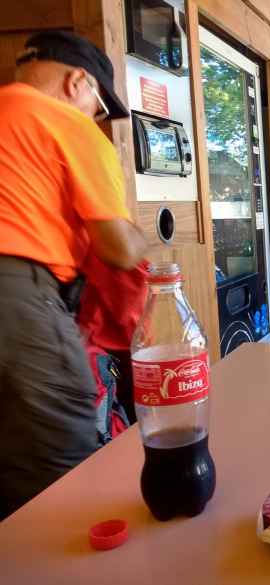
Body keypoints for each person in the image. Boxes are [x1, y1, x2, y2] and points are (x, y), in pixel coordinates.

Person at [0, 31, 147, 519]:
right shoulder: (65, 123)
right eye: (100, 107)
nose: (97, 120)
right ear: (78, 82)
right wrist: (142, 240)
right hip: (18, 298)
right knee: (61, 466)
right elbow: (121, 250)